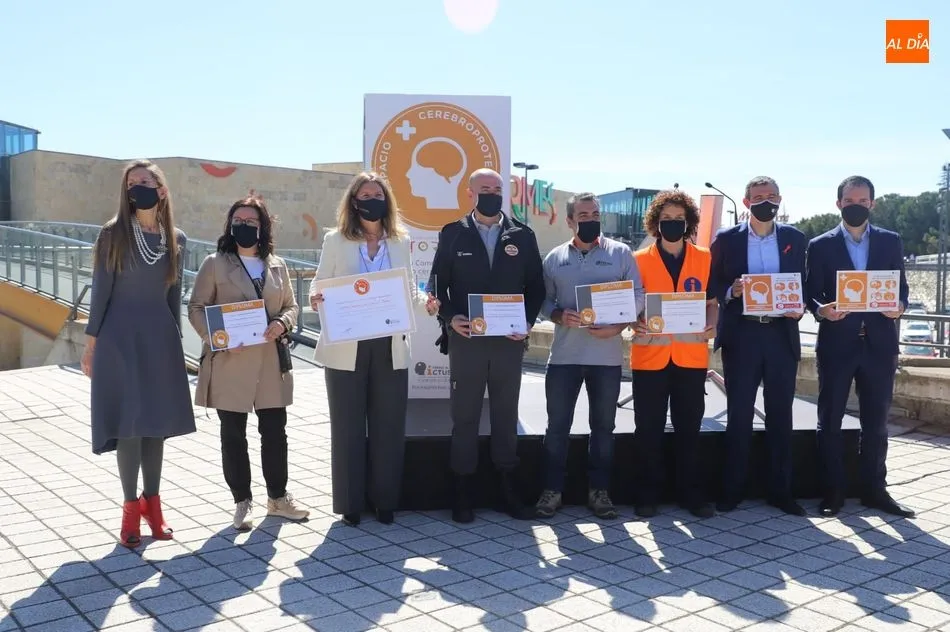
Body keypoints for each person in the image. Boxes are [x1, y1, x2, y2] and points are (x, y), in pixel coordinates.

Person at [81, 159, 196, 547]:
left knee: (156, 426)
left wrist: (176, 345)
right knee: (129, 425)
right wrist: (91, 345)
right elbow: (101, 292)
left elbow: (172, 297)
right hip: (118, 338)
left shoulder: (175, 238)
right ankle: (130, 510)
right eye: (132, 183)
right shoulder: (112, 234)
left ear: (161, 189)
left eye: (146, 181)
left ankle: (154, 506)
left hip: (159, 337)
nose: (138, 187)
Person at [309, 172, 431, 527]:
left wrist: (426, 302)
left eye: (378, 193)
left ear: (386, 201)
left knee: (388, 426)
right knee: (347, 426)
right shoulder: (336, 240)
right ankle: (349, 502)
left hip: (390, 345)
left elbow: (409, 289)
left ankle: (385, 501)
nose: (371, 199)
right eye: (365, 194)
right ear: (354, 201)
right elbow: (319, 283)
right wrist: (317, 298)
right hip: (346, 346)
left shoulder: (400, 241)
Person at [429, 168, 546, 523]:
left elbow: (536, 287)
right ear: (470, 193)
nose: (492, 194)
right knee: (464, 416)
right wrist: (449, 318)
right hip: (468, 342)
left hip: (509, 342)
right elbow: (436, 288)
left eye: (497, 189)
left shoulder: (522, 235)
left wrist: (526, 322)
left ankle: (506, 489)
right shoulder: (452, 234)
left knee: (505, 415)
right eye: (485, 189)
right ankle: (463, 491)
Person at [188, 195, 310, 531]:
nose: (244, 226)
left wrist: (282, 323)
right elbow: (196, 307)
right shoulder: (215, 263)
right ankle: (242, 501)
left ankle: (278, 498)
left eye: (251, 222)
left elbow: (291, 307)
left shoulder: (278, 265)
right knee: (233, 434)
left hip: (270, 361)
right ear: (230, 225)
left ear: (263, 227)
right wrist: (218, 338)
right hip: (231, 360)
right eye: (238, 221)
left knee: (275, 432)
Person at [804, 175, 914, 518]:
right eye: (850, 201)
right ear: (838, 204)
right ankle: (833, 491)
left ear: (872, 204)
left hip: (879, 345)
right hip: (838, 343)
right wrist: (822, 310)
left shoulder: (890, 241)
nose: (856, 206)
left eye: (862, 201)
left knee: (877, 422)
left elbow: (902, 290)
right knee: (830, 418)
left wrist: (899, 307)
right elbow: (812, 292)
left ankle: (874, 490)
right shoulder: (820, 245)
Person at [534, 192, 643, 520]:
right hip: (564, 357)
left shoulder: (621, 253)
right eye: (583, 215)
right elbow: (543, 301)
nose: (590, 219)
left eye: (595, 213)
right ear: (570, 221)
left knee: (603, 428)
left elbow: (637, 295)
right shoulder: (554, 258)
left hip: (607, 358)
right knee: (556, 429)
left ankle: (599, 492)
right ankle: (552, 491)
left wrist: (619, 326)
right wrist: (557, 316)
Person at [710, 176, 807, 516]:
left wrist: (802, 305)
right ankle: (731, 490)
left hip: (781, 335)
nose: (765, 201)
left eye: (771, 196)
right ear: (746, 201)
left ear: (780, 199)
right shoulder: (726, 239)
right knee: (739, 415)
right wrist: (730, 291)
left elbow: (803, 285)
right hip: (743, 336)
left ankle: (781, 491)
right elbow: (714, 283)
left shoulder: (795, 238)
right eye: (758, 196)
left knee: (781, 415)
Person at [630, 189, 718, 519]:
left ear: (689, 222)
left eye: (678, 220)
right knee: (648, 428)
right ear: (655, 223)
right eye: (666, 219)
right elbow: (630, 304)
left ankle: (690, 494)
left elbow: (711, 303)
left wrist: (712, 325)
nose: (672, 225)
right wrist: (634, 321)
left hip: (691, 357)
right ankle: (647, 494)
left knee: (689, 428)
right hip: (650, 356)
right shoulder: (638, 260)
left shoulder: (705, 257)